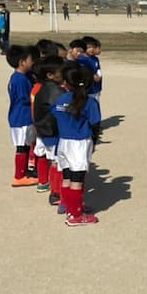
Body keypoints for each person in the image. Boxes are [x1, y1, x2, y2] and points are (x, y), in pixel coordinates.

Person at [54, 65, 102, 226]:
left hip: (63, 142)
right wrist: (94, 142)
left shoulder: (61, 100)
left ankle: (70, 206)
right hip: (79, 143)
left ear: (67, 84)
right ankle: (75, 216)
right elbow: (95, 124)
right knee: (77, 180)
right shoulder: (90, 102)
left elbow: (55, 118)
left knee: (67, 177)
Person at [32, 55, 66, 202]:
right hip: (52, 131)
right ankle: (56, 192)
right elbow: (61, 112)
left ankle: (53, 189)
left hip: (45, 129)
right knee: (56, 162)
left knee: (53, 160)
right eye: (61, 71)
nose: (64, 73)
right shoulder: (54, 91)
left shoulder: (44, 87)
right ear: (50, 75)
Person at [6, 45, 39, 187]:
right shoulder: (19, 79)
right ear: (22, 62)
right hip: (21, 118)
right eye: (31, 60)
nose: (33, 63)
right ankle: (19, 176)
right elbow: (26, 98)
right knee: (21, 147)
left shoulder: (22, 77)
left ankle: (25, 171)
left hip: (24, 117)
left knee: (26, 145)